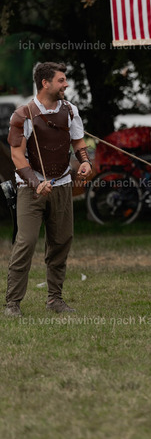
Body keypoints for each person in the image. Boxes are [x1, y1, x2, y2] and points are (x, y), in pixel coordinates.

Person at [4, 62, 92, 317]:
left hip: (62, 185)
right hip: (30, 189)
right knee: (26, 242)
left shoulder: (70, 110)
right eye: (61, 80)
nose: (66, 84)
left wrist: (85, 162)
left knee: (61, 242)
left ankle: (55, 299)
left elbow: (78, 141)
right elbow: (17, 156)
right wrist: (36, 183)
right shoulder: (22, 115)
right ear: (45, 83)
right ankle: (12, 304)